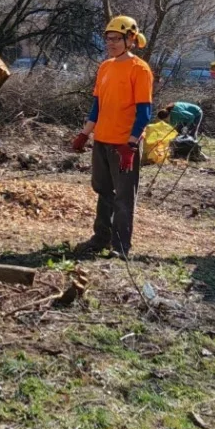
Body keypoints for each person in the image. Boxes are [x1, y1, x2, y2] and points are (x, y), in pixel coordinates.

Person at [70, 16, 154, 257]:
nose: (111, 43)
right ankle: (101, 239)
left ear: (130, 39)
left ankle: (120, 247)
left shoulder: (140, 69)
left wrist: (131, 144)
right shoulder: (105, 67)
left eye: (116, 39)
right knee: (104, 192)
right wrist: (84, 134)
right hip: (102, 140)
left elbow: (144, 112)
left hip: (123, 145)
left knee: (124, 198)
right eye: (108, 39)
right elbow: (97, 106)